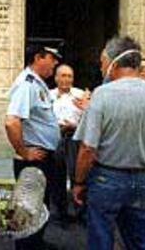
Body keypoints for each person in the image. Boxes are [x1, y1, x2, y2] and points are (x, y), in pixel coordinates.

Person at [73, 36, 145, 250]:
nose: (102, 68)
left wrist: (79, 181)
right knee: (141, 241)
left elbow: (88, 147)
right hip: (142, 178)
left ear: (114, 63)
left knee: (101, 239)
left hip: (107, 178)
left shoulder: (102, 95)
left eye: (103, 62)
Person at [5, 44, 61, 249]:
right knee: (27, 211)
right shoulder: (27, 84)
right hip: (33, 158)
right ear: (38, 58)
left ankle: (37, 244)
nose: (55, 63)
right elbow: (12, 121)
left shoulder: (37, 83)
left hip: (42, 157)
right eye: (52, 58)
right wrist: (23, 151)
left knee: (39, 207)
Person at [50, 64, 87, 223]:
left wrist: (74, 126)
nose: (66, 79)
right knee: (57, 175)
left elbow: (90, 121)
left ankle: (81, 211)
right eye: (63, 76)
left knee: (77, 174)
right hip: (55, 138)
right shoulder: (48, 95)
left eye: (69, 76)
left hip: (75, 138)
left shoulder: (81, 95)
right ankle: (60, 213)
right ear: (56, 78)